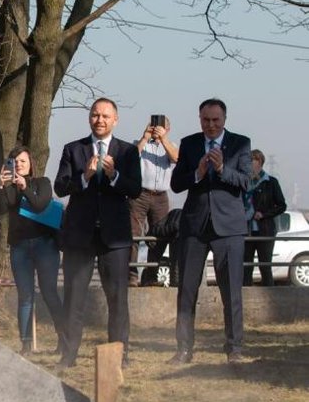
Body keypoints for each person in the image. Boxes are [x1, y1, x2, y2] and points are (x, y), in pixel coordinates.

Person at [54, 98, 142, 369]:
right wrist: (85, 176)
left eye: (105, 116)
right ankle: (68, 355)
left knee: (117, 299)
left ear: (115, 119)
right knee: (74, 299)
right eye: (95, 115)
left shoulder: (127, 152)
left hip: (114, 237)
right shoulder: (74, 149)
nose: (100, 120)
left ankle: (119, 354)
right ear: (89, 118)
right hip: (80, 236)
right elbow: (60, 187)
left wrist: (114, 175)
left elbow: (135, 189)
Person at [169, 98, 251, 365]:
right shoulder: (189, 143)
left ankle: (234, 348)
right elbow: (176, 184)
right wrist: (198, 172)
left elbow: (245, 182)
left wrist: (220, 169)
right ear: (199, 118)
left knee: (231, 291)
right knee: (187, 289)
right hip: (195, 225)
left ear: (224, 119)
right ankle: (184, 349)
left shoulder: (241, 143)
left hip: (229, 227)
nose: (211, 125)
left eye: (216, 120)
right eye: (206, 120)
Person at [0, 145, 66, 356]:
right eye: (15, 163)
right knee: (25, 295)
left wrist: (24, 186)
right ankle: (26, 344)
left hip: (45, 245)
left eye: (23, 162)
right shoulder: (9, 188)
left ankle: (63, 339)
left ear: (30, 164)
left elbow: (40, 205)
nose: (19, 166)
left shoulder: (42, 183)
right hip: (20, 247)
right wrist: (0, 186)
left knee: (49, 292)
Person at [131, 115, 178, 286]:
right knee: (133, 234)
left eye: (161, 127)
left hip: (161, 196)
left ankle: (150, 277)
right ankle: (131, 277)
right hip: (140, 194)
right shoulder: (139, 143)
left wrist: (163, 140)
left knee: (159, 236)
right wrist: (145, 138)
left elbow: (177, 159)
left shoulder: (171, 146)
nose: (156, 129)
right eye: (153, 125)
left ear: (168, 130)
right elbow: (130, 159)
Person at [242, 150, 287, 286]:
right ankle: (245, 296)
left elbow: (281, 205)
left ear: (260, 163)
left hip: (265, 230)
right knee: (246, 266)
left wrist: (264, 214)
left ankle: (269, 293)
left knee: (265, 265)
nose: (250, 165)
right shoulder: (243, 182)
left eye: (252, 161)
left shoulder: (270, 182)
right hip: (246, 230)